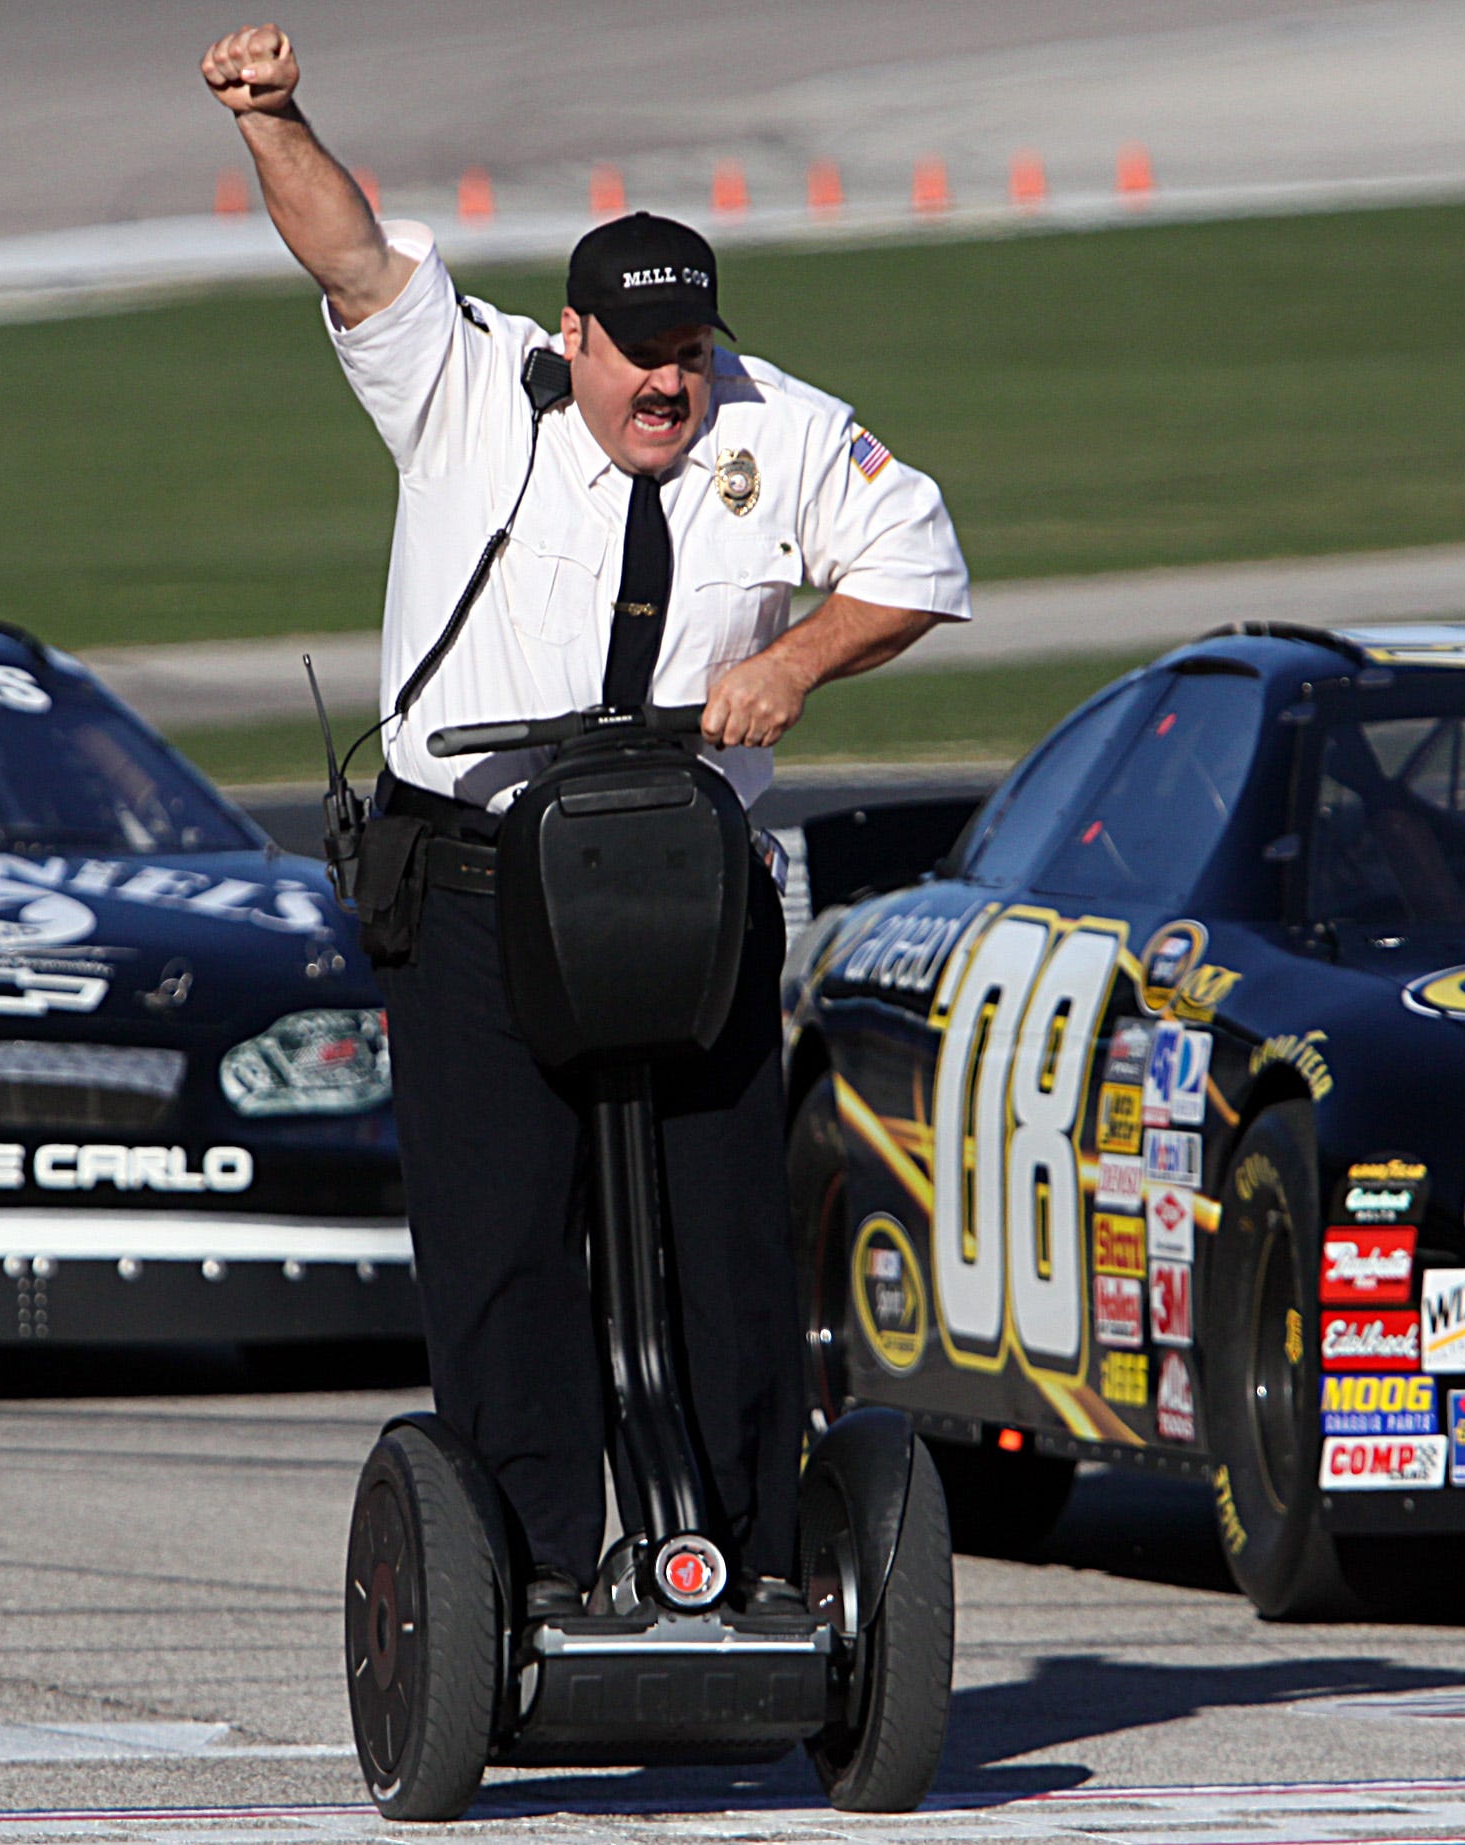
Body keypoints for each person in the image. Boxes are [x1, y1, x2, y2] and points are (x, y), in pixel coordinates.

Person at [201, 25, 972, 1613]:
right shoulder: (467, 379)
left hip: (683, 890)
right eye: (639, 356)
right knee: (500, 1252)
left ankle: (749, 1566)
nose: (670, 384)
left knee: (728, 1244)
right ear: (575, 341)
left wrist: (795, 661)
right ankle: (535, 1572)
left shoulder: (779, 425)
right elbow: (350, 251)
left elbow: (918, 558)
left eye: (691, 350)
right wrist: (277, 119)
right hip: (480, 881)